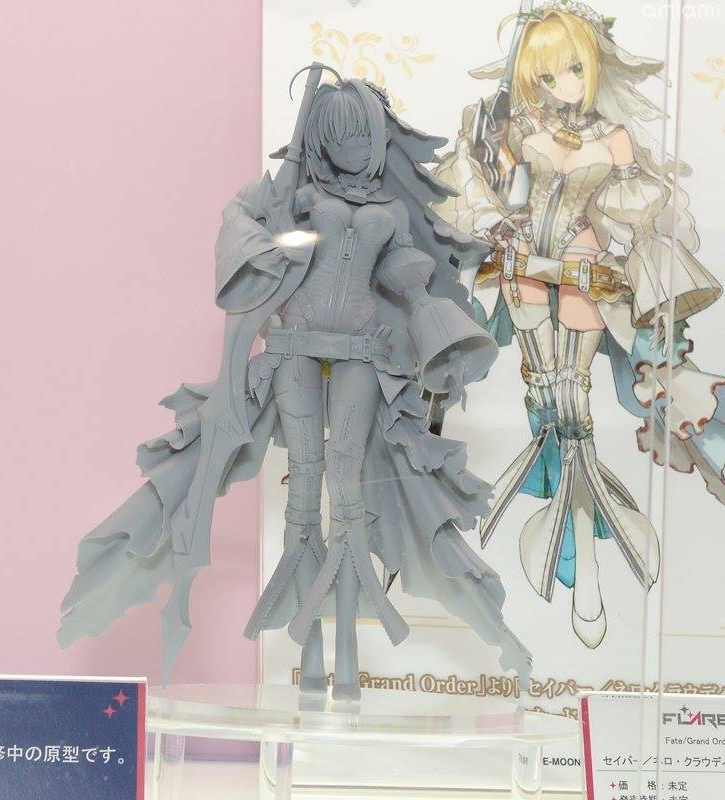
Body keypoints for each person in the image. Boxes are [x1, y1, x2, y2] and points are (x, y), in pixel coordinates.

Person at [59, 72, 532, 700]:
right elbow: (239, 219)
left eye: (363, 135)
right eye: (340, 135)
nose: (354, 147)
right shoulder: (294, 193)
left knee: (350, 493)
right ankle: (312, 654)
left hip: (362, 353)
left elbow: (403, 271)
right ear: (321, 137)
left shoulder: (391, 209)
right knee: (304, 493)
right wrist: (266, 237)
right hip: (294, 350)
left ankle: (346, 653)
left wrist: (427, 287)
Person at [433, 2, 723, 649]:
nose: (564, 86)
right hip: (525, 268)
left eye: (573, 71)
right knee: (547, 395)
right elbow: (486, 195)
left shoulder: (613, 137)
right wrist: (493, 187)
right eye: (547, 75)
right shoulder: (512, 127)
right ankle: (572, 537)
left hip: (583, 268)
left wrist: (625, 242)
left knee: (576, 400)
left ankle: (585, 549)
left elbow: (634, 215)